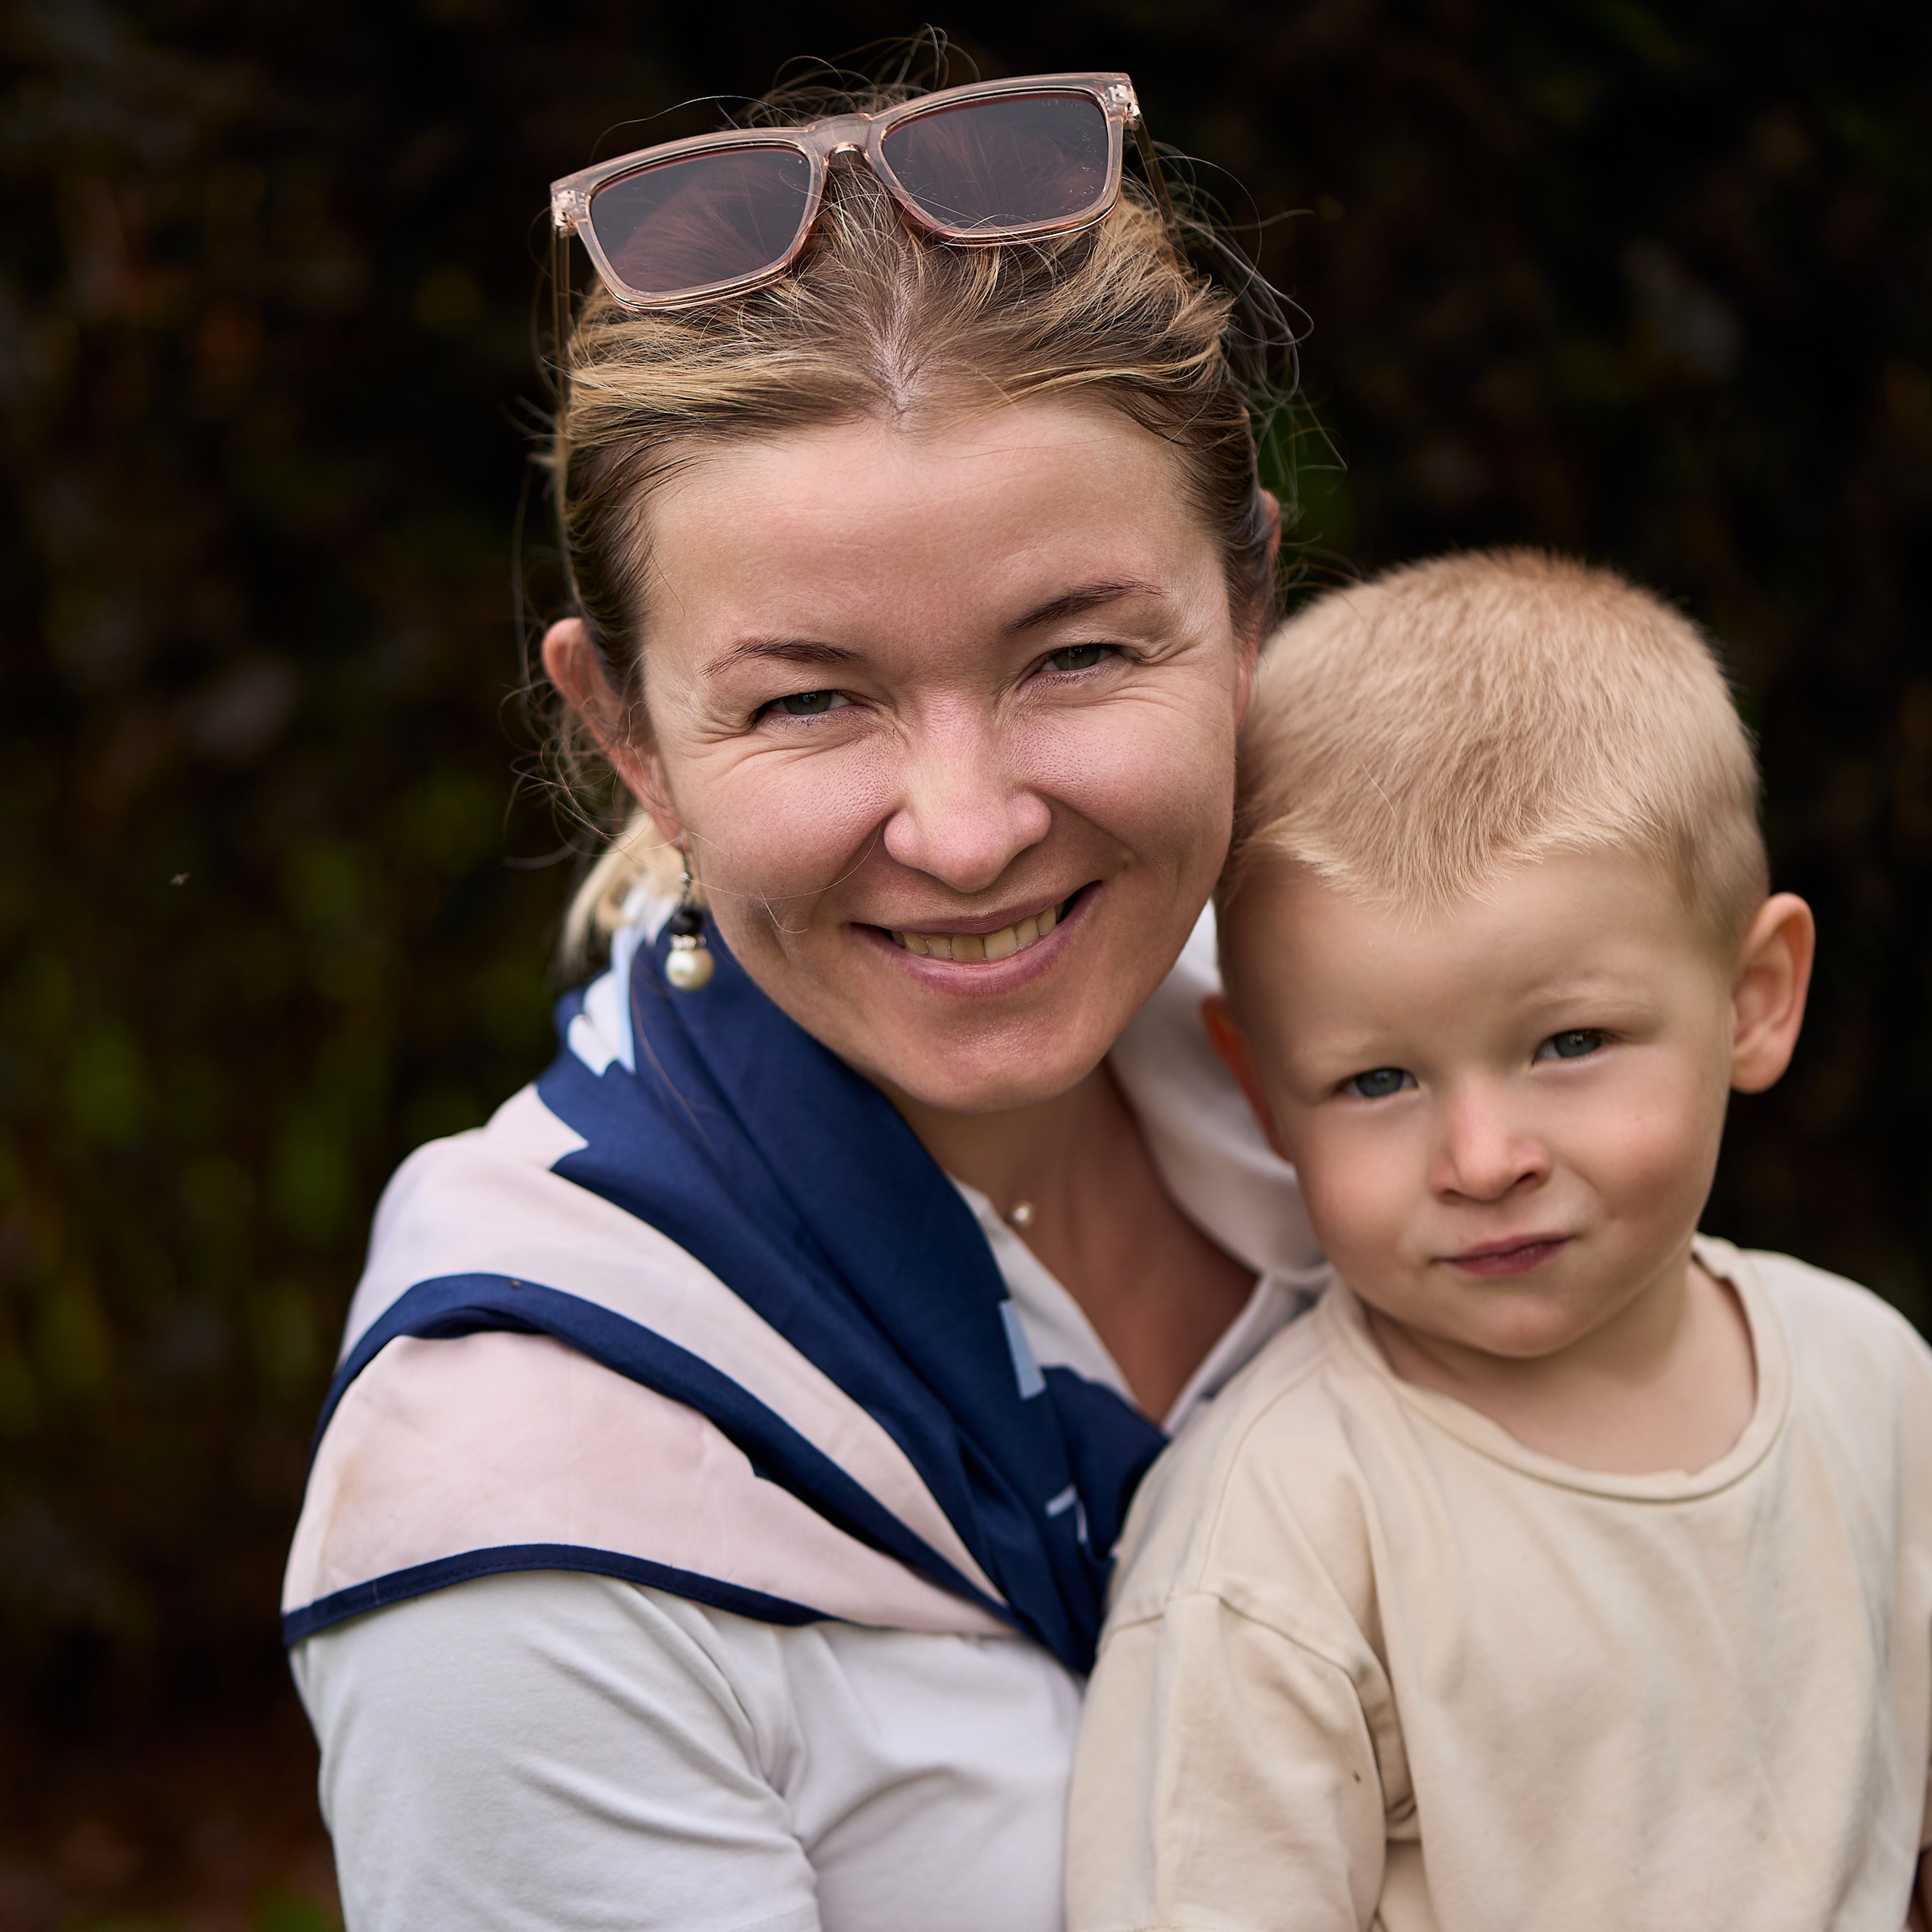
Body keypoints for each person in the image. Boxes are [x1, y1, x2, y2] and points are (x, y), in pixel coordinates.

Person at [281, 70, 1325, 1932]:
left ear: (1242, 613)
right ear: (630, 734)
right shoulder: (525, 1513)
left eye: (1077, 653)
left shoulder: (1405, 1085)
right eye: (810, 699)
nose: (967, 826)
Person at [1066, 549, 1932, 1932]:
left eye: (1570, 1043)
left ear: (1756, 998)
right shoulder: (1283, 1532)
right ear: (1261, 1088)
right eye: (1378, 1080)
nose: (1482, 1161)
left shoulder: (1875, 1383)